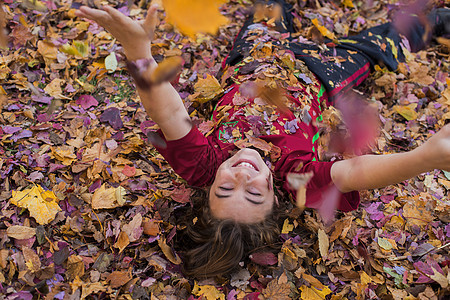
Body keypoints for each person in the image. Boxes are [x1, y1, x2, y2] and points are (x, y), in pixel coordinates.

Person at [76, 1, 450, 278]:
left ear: (207, 191)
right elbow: (353, 172)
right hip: (320, 73)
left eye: (225, 190)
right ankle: (434, 20)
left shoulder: (202, 163)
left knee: (268, 8)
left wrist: (139, 54)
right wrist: (424, 157)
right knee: (384, 42)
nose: (241, 175)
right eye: (254, 193)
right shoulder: (295, 176)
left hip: (255, 56)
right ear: (275, 197)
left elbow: (169, 113)